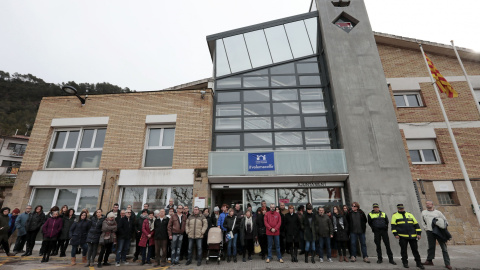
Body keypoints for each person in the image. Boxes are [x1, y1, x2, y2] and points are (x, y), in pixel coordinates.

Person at [391, 203, 424, 269]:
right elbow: (393, 226)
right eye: (400, 208)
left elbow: (416, 225)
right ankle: (405, 263)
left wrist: (419, 233)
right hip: (402, 236)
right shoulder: (395, 215)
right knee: (404, 250)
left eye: (402, 208)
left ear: (404, 208)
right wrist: (395, 234)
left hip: (412, 236)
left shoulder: (410, 214)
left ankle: (419, 263)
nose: (401, 209)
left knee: (415, 250)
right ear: (398, 209)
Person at [422, 200, 451, 269]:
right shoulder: (423, 212)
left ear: (432, 205)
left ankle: (447, 263)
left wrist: (443, 228)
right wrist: (426, 228)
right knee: (431, 247)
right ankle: (429, 261)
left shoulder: (438, 212)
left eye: (429, 203)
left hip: (439, 232)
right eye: (426, 203)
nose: (427, 204)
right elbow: (423, 222)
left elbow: (445, 221)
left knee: (444, 248)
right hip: (430, 231)